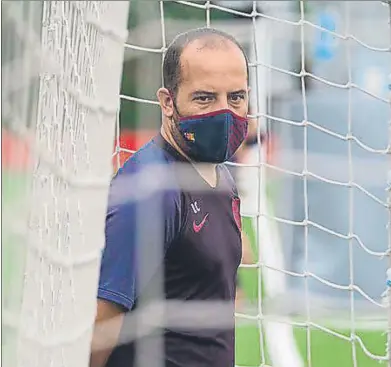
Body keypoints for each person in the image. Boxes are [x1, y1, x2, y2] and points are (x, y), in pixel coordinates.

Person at [90, 27, 250, 367]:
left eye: (236, 97)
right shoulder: (151, 190)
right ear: (167, 101)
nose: (224, 114)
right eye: (205, 98)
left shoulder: (219, 173)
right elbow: (100, 328)